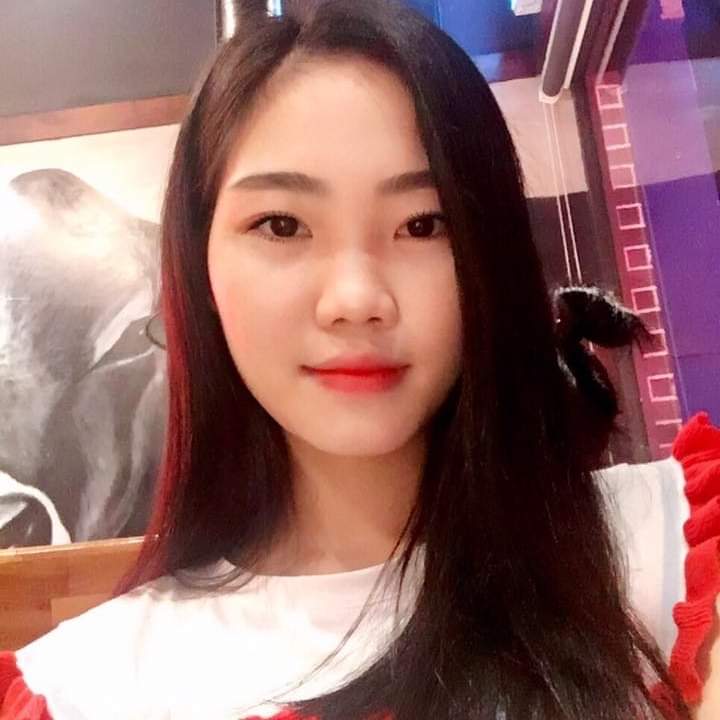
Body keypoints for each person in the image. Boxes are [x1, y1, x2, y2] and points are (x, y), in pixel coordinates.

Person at [1, 1, 719, 718]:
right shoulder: (89, 688)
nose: (355, 298)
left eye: (423, 224)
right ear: (199, 271)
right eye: (282, 225)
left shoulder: (670, 548)